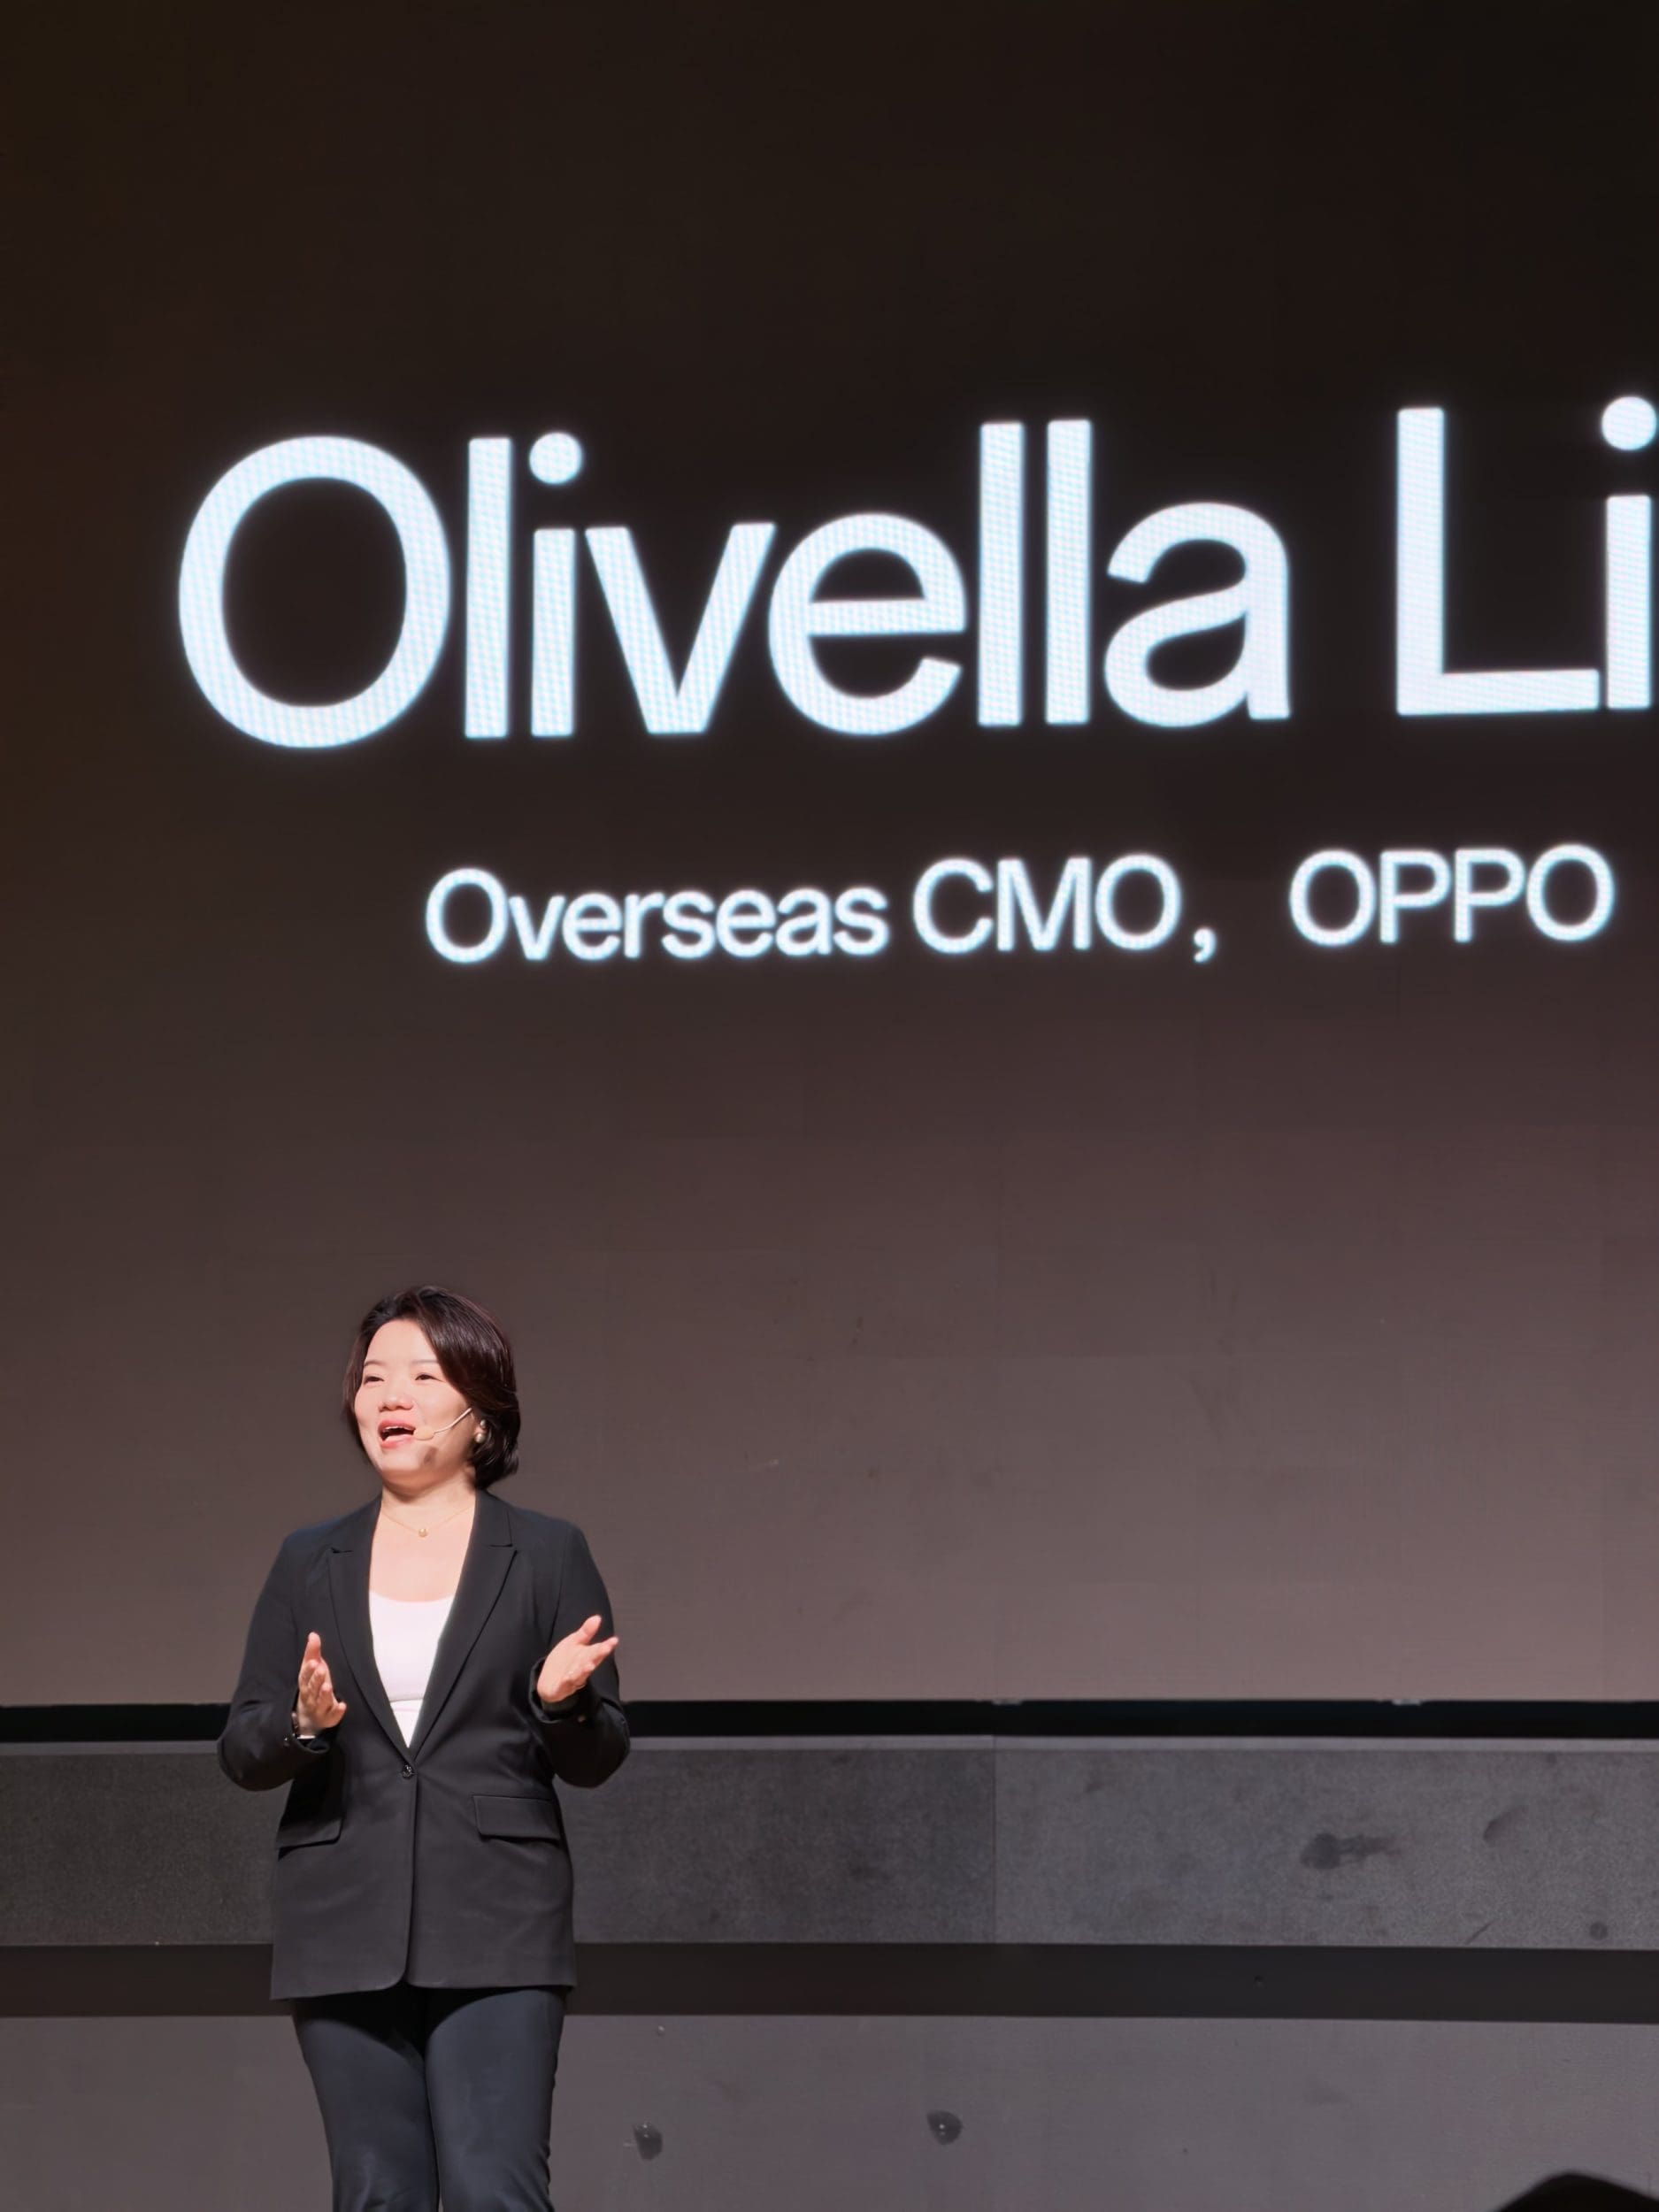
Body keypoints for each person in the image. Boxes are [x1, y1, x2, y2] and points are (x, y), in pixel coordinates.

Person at [218, 1283, 628, 2212]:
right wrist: (304, 1727)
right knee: (377, 2192)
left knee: (495, 2190)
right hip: (341, 1917)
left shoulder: (547, 1554)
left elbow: (600, 1754)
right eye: (373, 1378)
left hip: (499, 1917)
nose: (389, 1396)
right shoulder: (308, 1560)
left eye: (421, 1375)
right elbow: (243, 1747)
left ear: (480, 1410)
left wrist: (559, 1703)